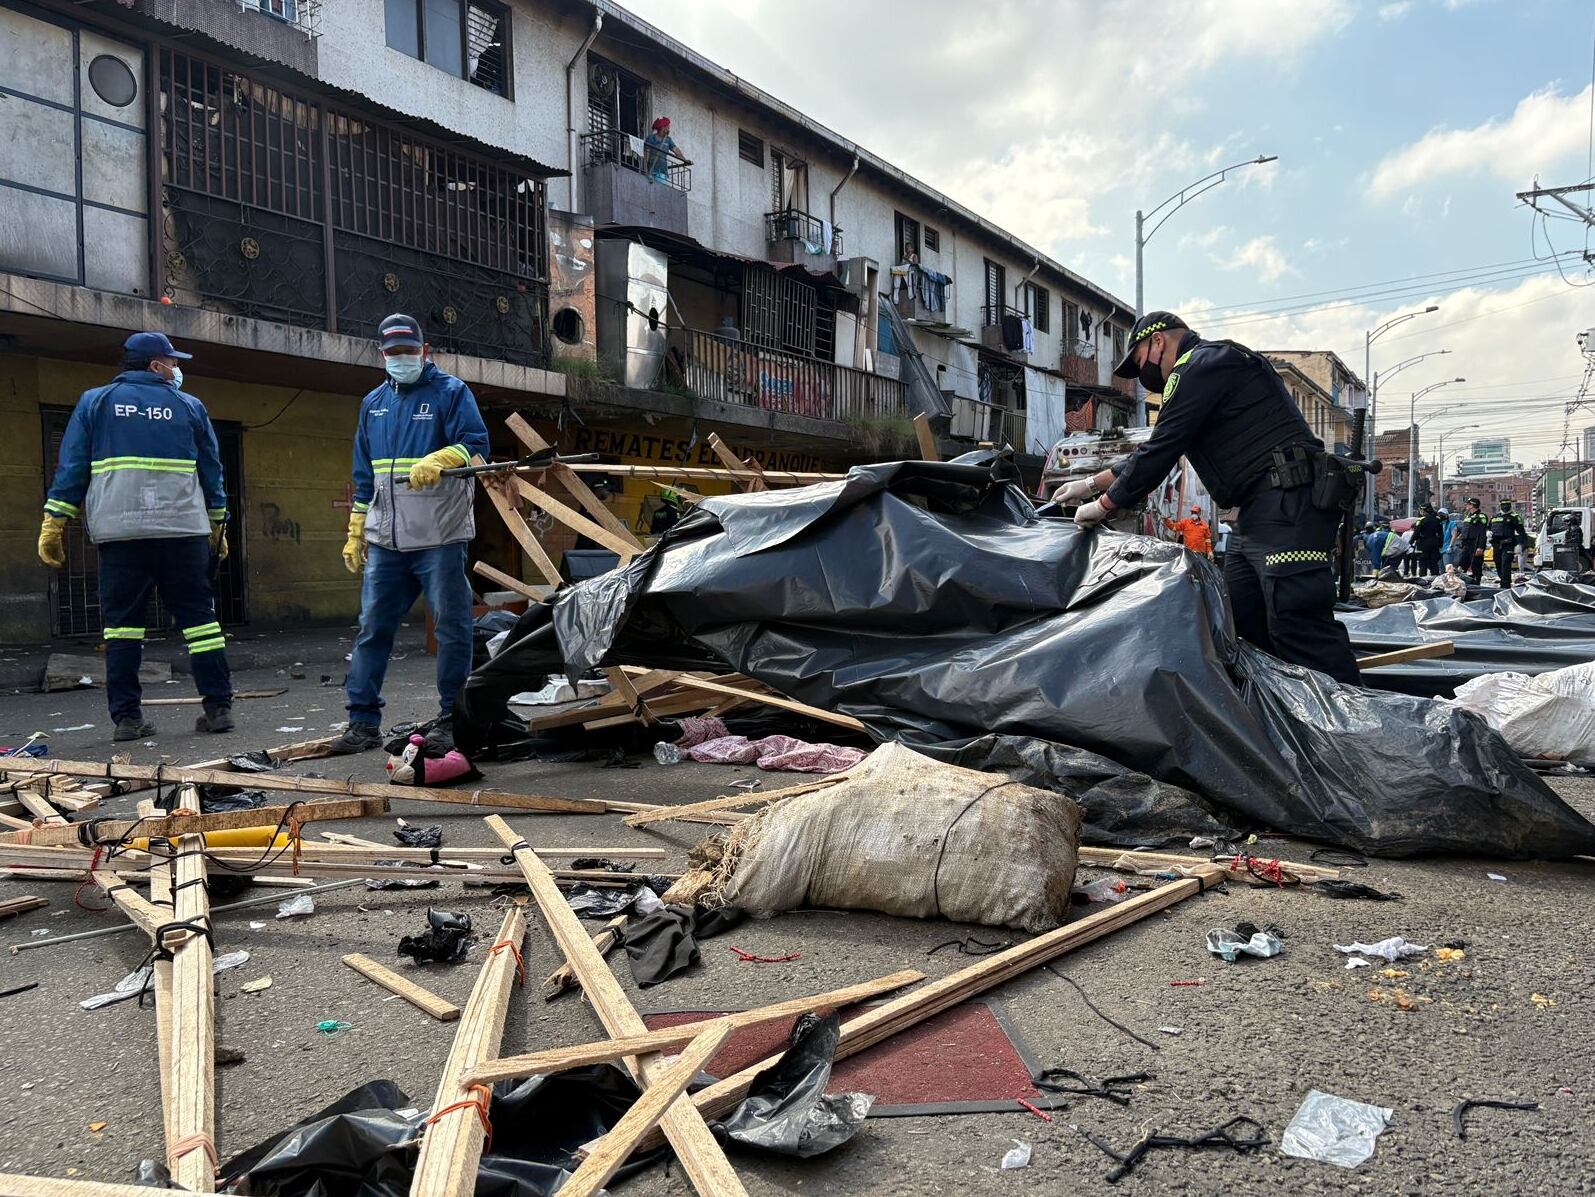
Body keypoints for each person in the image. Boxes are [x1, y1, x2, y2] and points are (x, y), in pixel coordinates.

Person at [1064, 311, 1359, 684]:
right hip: (1259, 513)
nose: (1143, 375)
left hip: (1288, 505)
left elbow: (1163, 447)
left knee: (1297, 625)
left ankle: (1355, 717)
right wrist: (1091, 484)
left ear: (1158, 341)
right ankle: (1282, 712)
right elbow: (1159, 446)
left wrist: (1104, 505)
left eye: (1139, 361)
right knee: (1242, 620)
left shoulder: (1202, 365)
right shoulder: (1205, 371)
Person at [39, 332, 234, 741]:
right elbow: (211, 469)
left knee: (123, 628)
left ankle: (128, 720)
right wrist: (219, 521)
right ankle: (218, 710)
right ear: (154, 365)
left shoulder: (96, 402)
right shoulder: (189, 406)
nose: (176, 369)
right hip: (182, 531)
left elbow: (72, 465)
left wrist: (55, 520)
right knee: (201, 623)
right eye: (172, 362)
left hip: (121, 533)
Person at [337, 314, 489, 754]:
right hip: (387, 540)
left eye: (408, 351)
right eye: (393, 352)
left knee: (452, 629)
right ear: (381, 354)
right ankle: (362, 723)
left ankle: (451, 720)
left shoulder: (451, 392)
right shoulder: (372, 403)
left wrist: (443, 457)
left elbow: (477, 446)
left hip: (439, 535)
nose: (401, 358)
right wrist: (356, 528)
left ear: (425, 350)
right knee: (372, 630)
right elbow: (364, 474)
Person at [1488, 498, 1530, 590]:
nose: (1505, 507)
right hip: (1496, 544)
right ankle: (1503, 580)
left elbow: (1521, 532)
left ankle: (1505, 585)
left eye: (1507, 505)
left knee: (1505, 563)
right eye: (1503, 505)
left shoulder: (1515, 517)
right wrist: (1488, 532)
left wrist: (1520, 545)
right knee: (1498, 563)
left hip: (1509, 544)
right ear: (1500, 506)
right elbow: (1489, 527)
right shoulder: (1494, 517)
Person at [643, 116, 688, 183]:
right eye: (668, 127)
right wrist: (645, 170)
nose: (669, 128)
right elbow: (646, 154)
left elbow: (676, 150)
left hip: (662, 172)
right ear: (662, 128)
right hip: (651, 172)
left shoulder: (668, 140)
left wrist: (684, 160)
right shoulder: (651, 138)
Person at [1459, 498, 1490, 585]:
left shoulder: (1481, 516)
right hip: (1466, 545)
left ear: (1472, 505)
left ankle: (1477, 584)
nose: (1466, 505)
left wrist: (1480, 547)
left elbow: (1482, 533)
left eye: (1468, 504)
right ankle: (1464, 584)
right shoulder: (1468, 516)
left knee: (1476, 567)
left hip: (1475, 544)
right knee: (1462, 565)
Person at [1412, 504, 1444, 576]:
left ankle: (1423, 580)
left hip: (1423, 545)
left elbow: (1416, 533)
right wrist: (1440, 545)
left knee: (1423, 564)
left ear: (1424, 511)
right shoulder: (1437, 519)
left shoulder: (1421, 520)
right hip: (1434, 544)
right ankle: (1435, 579)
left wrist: (1410, 544)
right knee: (1434, 564)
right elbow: (1441, 534)